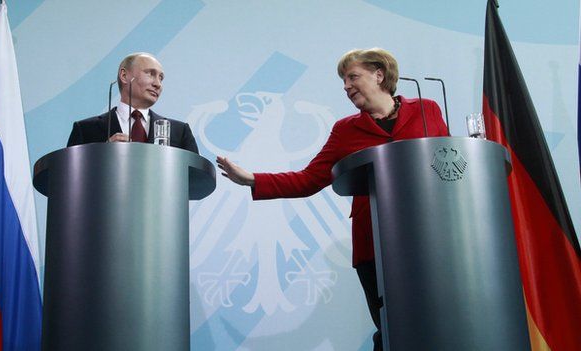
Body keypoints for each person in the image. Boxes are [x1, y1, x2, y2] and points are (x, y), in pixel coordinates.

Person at [216, 48, 449, 351]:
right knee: (392, 327)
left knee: (437, 324)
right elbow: (309, 179)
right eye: (343, 81)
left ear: (379, 74)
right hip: (375, 243)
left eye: (353, 77)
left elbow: (447, 163)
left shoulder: (426, 109)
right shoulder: (345, 130)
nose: (346, 86)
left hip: (432, 239)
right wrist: (252, 179)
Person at [67, 52, 198, 153]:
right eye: (150, 74)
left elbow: (195, 181)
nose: (157, 84)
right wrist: (103, 155)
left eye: (161, 78)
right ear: (124, 76)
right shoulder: (85, 130)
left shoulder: (180, 132)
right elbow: (68, 179)